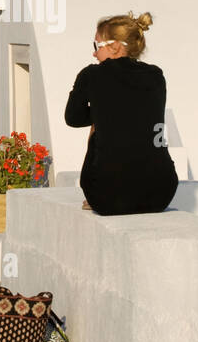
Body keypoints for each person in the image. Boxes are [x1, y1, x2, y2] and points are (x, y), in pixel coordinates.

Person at [64, 11, 177, 216]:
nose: (94, 54)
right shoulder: (155, 75)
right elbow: (142, 110)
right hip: (161, 193)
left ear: (115, 46)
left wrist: (102, 113)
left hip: (107, 197)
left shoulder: (92, 75)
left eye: (96, 46)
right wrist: (111, 110)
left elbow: (73, 118)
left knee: (98, 129)